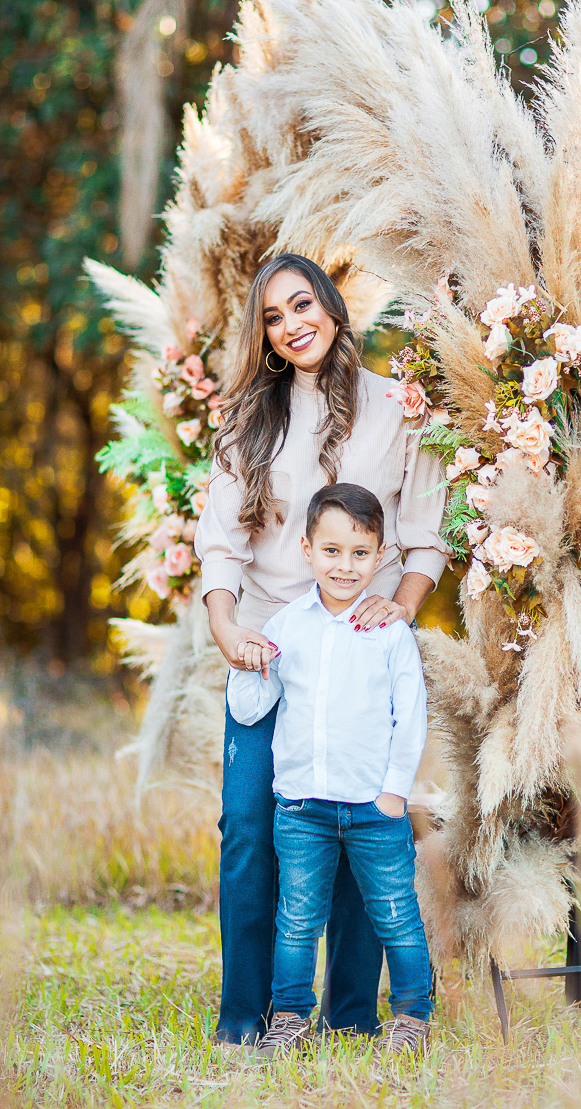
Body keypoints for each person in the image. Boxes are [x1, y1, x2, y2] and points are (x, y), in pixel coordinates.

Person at [194, 254, 447, 1046]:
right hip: (272, 646)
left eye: (301, 304)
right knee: (248, 826)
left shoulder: (401, 406)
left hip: (365, 644)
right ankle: (247, 1016)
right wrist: (228, 629)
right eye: (272, 317)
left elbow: (425, 536)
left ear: (333, 307)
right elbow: (221, 544)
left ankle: (349, 1013)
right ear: (264, 337)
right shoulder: (248, 418)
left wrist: (396, 612)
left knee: (364, 824)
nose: (291, 324)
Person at [227, 483, 433, 1059]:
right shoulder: (288, 625)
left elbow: (409, 718)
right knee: (295, 920)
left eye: (361, 553)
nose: (346, 566)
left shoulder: (390, 631)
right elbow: (251, 709)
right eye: (333, 551)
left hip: (374, 808)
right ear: (306, 549)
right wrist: (250, 661)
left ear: (381, 555)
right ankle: (290, 1016)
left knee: (396, 915)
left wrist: (395, 795)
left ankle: (413, 1016)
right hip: (301, 808)